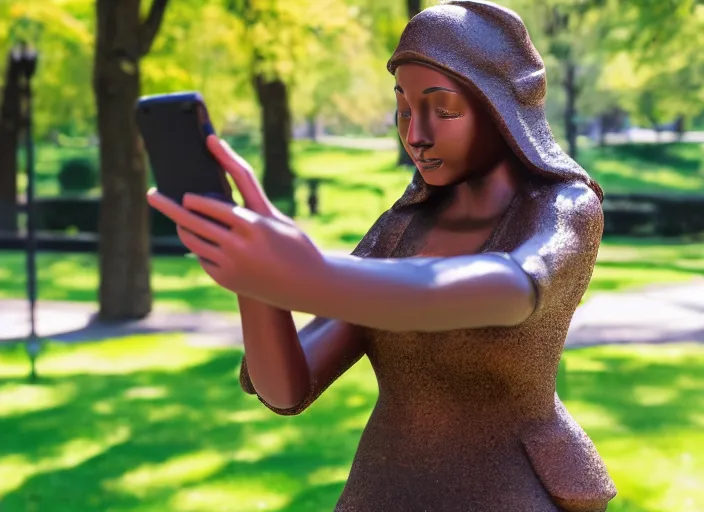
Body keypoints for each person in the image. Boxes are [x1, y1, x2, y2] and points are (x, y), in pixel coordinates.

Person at [147, 1, 617, 510]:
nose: (417, 134)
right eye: (405, 109)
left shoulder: (563, 209)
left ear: (500, 106)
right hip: (381, 489)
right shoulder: (400, 230)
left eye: (444, 110)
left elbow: (511, 287)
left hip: (503, 492)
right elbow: (286, 389)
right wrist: (256, 280)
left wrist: (309, 274)